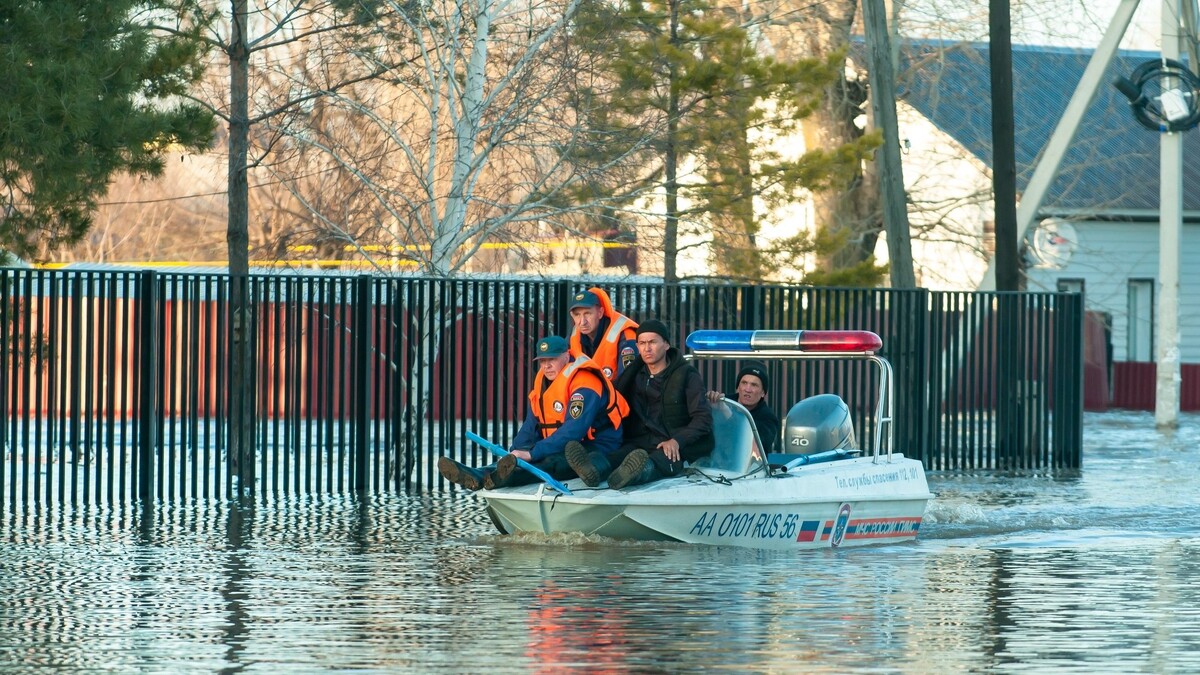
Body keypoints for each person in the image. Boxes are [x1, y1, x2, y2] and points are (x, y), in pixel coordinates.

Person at [437, 335, 628, 490]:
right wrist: (514, 454)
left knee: (553, 462)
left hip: (598, 445)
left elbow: (573, 431)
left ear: (566, 356)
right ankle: (480, 474)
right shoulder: (543, 384)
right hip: (562, 444)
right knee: (528, 458)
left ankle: (499, 478)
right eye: (542, 361)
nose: (546, 366)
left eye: (552, 359)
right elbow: (531, 426)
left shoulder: (585, 383)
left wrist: (532, 453)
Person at [567, 319, 713, 489]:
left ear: (666, 345)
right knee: (617, 457)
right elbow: (612, 399)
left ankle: (635, 474)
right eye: (642, 343)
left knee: (658, 461)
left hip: (673, 444)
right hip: (639, 442)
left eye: (652, 342)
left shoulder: (686, 374)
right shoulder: (633, 374)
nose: (647, 348)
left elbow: (703, 418)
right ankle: (592, 468)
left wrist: (677, 441)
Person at [705, 362, 781, 455]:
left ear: (763, 393)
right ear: (738, 387)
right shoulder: (721, 403)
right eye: (744, 383)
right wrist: (709, 403)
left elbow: (755, 443)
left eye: (754, 385)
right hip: (713, 461)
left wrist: (727, 413)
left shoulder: (768, 418)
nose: (747, 389)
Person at [567, 287, 638, 383]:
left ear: (600, 313)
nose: (582, 322)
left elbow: (628, 382)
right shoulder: (574, 335)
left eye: (587, 314)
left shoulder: (625, 336)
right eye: (577, 315)